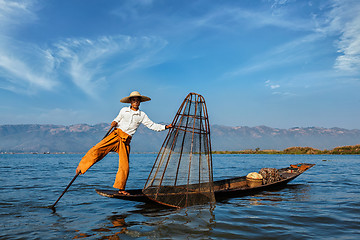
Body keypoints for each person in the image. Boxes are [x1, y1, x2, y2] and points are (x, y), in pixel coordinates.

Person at [76, 91, 172, 195]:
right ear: (130, 101)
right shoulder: (124, 110)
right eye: (134, 100)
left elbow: (152, 125)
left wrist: (165, 127)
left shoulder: (142, 115)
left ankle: (121, 189)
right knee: (97, 149)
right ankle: (81, 167)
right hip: (115, 135)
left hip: (125, 141)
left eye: (138, 100)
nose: (136, 102)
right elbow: (116, 120)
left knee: (124, 166)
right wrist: (114, 122)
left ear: (140, 102)